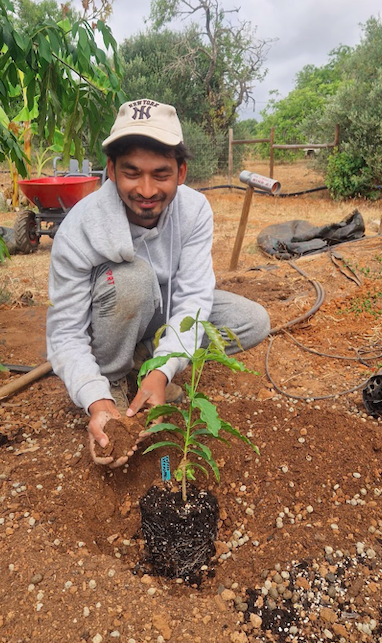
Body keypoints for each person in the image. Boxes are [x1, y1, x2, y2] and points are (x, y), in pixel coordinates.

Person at [46, 99, 271, 468]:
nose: (147, 190)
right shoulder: (80, 227)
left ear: (181, 173)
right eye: (132, 173)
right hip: (110, 315)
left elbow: (193, 297)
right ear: (111, 171)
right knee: (134, 278)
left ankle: (146, 370)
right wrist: (93, 397)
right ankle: (114, 379)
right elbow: (65, 332)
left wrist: (163, 370)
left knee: (252, 320)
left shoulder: (195, 211)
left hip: (161, 312)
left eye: (161, 174)